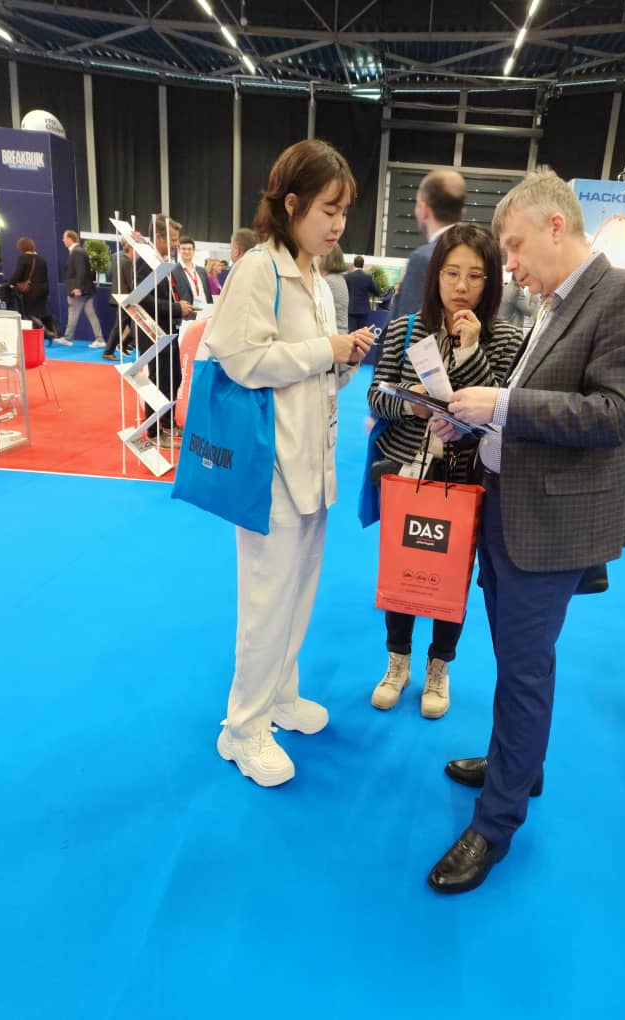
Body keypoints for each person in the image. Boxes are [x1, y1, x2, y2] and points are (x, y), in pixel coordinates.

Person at [426, 168, 625, 894]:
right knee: (520, 661)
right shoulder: (556, 302)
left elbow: (614, 414)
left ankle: (496, 822)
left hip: (552, 522)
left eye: (513, 245)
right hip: (511, 506)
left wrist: (500, 405)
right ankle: (518, 765)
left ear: (555, 225)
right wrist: (476, 419)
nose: (509, 264)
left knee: (524, 668)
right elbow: (543, 402)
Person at [204, 139, 374, 787]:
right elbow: (239, 358)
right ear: (293, 203)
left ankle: (278, 694)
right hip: (267, 466)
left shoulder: (319, 280)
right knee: (266, 601)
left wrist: (342, 361)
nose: (338, 224)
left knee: (298, 592)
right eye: (329, 209)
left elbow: (311, 371)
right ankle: (241, 727)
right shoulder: (259, 269)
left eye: (344, 211)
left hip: (312, 461)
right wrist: (323, 350)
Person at [367, 223, 523, 719]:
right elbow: (376, 395)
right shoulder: (405, 329)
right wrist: (410, 406)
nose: (461, 286)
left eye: (475, 276)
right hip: (409, 470)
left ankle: (439, 667)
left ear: (491, 281)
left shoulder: (506, 339)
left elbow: (498, 412)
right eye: (452, 273)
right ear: (436, 275)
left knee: (452, 575)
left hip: (466, 476)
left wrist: (471, 351)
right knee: (402, 568)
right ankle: (397, 662)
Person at [134, 214, 192, 447]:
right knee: (158, 381)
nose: (177, 244)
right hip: (152, 331)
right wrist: (176, 308)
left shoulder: (160, 260)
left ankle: (168, 423)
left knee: (173, 378)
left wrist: (179, 308)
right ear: (159, 237)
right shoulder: (145, 261)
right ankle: (154, 431)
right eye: (174, 239)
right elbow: (142, 299)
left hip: (167, 329)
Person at [391, 170, 467, 320]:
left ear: (424, 210)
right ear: (462, 211)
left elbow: (406, 326)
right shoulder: (479, 254)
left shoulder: (423, 259)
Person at [56, 229, 105, 348]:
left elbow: (81, 271)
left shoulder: (77, 252)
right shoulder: (79, 251)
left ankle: (68, 338)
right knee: (91, 314)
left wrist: (78, 288)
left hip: (79, 290)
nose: (63, 240)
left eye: (64, 238)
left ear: (69, 239)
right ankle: (100, 340)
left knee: (73, 313)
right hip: (86, 290)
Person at [5, 237, 57, 337]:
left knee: (29, 313)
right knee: (40, 312)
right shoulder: (42, 260)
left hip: (30, 291)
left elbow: (17, 274)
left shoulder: (23, 258)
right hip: (43, 290)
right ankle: (50, 332)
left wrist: (10, 284)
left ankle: (46, 332)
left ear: (22, 247)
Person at [103, 241, 134, 360]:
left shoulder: (120, 260)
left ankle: (123, 345)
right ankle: (108, 352)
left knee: (132, 326)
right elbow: (130, 282)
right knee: (120, 326)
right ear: (131, 250)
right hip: (124, 299)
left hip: (121, 298)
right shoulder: (126, 262)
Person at [172, 236, 213, 315]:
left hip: (205, 312)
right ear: (179, 251)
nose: (187, 251)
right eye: (183, 249)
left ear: (194, 251)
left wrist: (211, 309)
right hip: (188, 314)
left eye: (189, 249)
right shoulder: (173, 271)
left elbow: (208, 293)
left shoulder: (202, 271)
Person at [319, 242, 349, 334]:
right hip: (339, 332)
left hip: (334, 333)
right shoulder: (338, 278)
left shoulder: (328, 281)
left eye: (319, 256)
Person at [345, 255, 380, 332]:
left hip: (351, 309)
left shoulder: (347, 277)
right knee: (363, 333)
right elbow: (376, 292)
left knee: (352, 333)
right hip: (364, 310)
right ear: (363, 265)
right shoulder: (368, 277)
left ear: (354, 264)